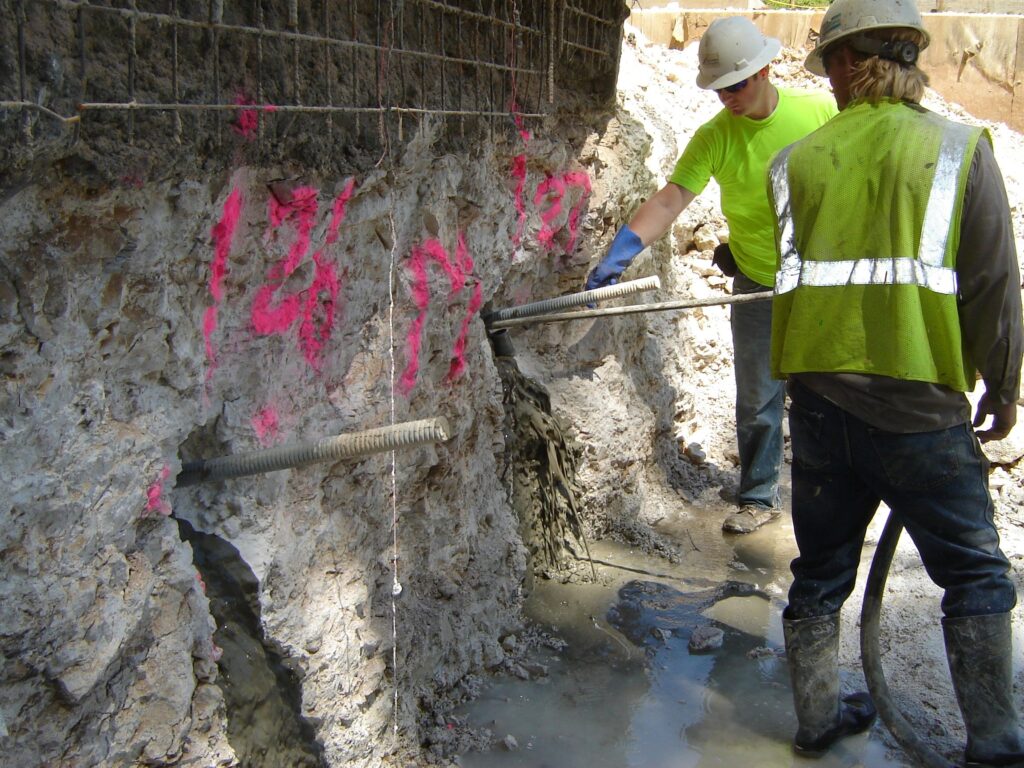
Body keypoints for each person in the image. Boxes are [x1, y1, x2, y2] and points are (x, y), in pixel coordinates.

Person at [767, 0, 1024, 763]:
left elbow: (792, 275)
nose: (830, 80)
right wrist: (1004, 385)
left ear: (848, 63)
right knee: (976, 575)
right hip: (919, 409)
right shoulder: (957, 149)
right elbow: (992, 285)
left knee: (819, 572)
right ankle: (997, 739)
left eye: (830, 65)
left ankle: (816, 718)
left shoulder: (797, 161)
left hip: (818, 403)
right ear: (907, 58)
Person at [585, 17, 836, 535]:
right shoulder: (716, 137)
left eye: (737, 85)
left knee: (827, 392)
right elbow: (672, 198)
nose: (728, 98)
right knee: (759, 396)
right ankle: (759, 496)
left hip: (822, 282)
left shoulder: (820, 114)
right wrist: (621, 252)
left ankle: (833, 495)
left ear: (766, 70)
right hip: (758, 282)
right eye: (720, 89)